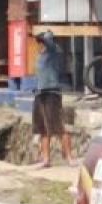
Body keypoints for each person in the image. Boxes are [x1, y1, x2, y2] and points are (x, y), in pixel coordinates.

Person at [30, 31, 74, 168]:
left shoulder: (54, 51)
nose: (40, 44)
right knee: (43, 128)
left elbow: (50, 44)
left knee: (58, 127)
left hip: (52, 93)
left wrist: (39, 36)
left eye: (42, 41)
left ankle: (69, 157)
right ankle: (46, 159)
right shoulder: (40, 56)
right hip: (40, 93)